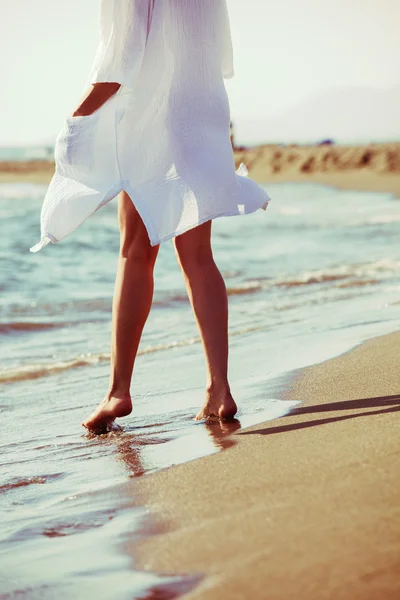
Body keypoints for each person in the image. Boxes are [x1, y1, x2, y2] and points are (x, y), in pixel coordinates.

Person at [31, 0, 270, 433]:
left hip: (153, 114)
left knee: (135, 253)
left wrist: (76, 119)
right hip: (203, 106)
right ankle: (220, 388)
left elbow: (121, 59)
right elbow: (220, 50)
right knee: (199, 257)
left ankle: (118, 392)